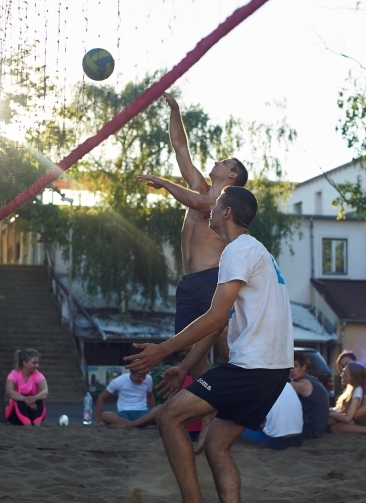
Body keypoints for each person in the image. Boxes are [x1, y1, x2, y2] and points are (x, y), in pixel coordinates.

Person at [125, 186, 294, 503]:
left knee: (168, 417)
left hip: (253, 366)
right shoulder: (256, 251)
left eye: (216, 205)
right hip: (274, 368)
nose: (210, 209)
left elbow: (214, 319)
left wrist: (163, 349)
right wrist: (185, 366)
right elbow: (221, 323)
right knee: (216, 445)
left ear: (227, 213)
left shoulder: (237, 251)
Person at [137, 92, 249, 380]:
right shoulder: (200, 186)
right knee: (186, 347)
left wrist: (164, 183)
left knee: (222, 336)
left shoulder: (227, 204)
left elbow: (198, 204)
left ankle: (245, 386)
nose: (217, 162)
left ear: (233, 176)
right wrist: (175, 111)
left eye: (224, 162)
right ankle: (208, 397)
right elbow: (179, 146)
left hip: (212, 278)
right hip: (189, 281)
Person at [240, 382, 303, 450]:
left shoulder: (258, 386)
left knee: (239, 429)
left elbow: (258, 419)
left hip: (275, 442)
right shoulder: (286, 384)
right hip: (299, 439)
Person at [289, 351, 328, 440]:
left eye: (295, 366)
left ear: (304, 367)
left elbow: (282, 387)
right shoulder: (310, 380)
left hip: (310, 429)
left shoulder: (305, 384)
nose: (291, 370)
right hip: (314, 427)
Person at [5, 349, 49, 426]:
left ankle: (37, 424)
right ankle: (27, 424)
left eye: (38, 363)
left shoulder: (38, 375)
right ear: (24, 363)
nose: (37, 366)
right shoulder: (13, 374)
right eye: (34, 363)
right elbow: (10, 392)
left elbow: (45, 392)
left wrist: (34, 398)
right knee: (18, 399)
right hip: (14, 414)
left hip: (32, 410)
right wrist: (25, 400)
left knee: (40, 399)